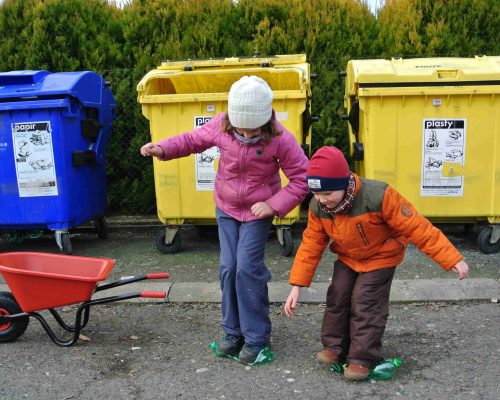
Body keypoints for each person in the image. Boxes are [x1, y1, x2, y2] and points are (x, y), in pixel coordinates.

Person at [141, 76, 309, 364]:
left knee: (247, 269)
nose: (245, 134)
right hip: (227, 208)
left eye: (251, 129)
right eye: (240, 128)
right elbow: (192, 140)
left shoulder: (279, 138)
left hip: (258, 213)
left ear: (264, 121)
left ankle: (256, 337)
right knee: (228, 268)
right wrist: (164, 149)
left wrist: (273, 204)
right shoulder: (222, 124)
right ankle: (233, 331)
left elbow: (302, 177)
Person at [284, 146, 469, 380]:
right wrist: (297, 284)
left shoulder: (379, 196)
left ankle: (362, 358)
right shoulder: (318, 207)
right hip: (349, 256)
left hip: (382, 255)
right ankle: (335, 347)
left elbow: (417, 227)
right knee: (337, 295)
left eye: (327, 193)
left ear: (343, 183)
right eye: (316, 194)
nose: (322, 200)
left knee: (365, 301)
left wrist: (452, 258)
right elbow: (311, 243)